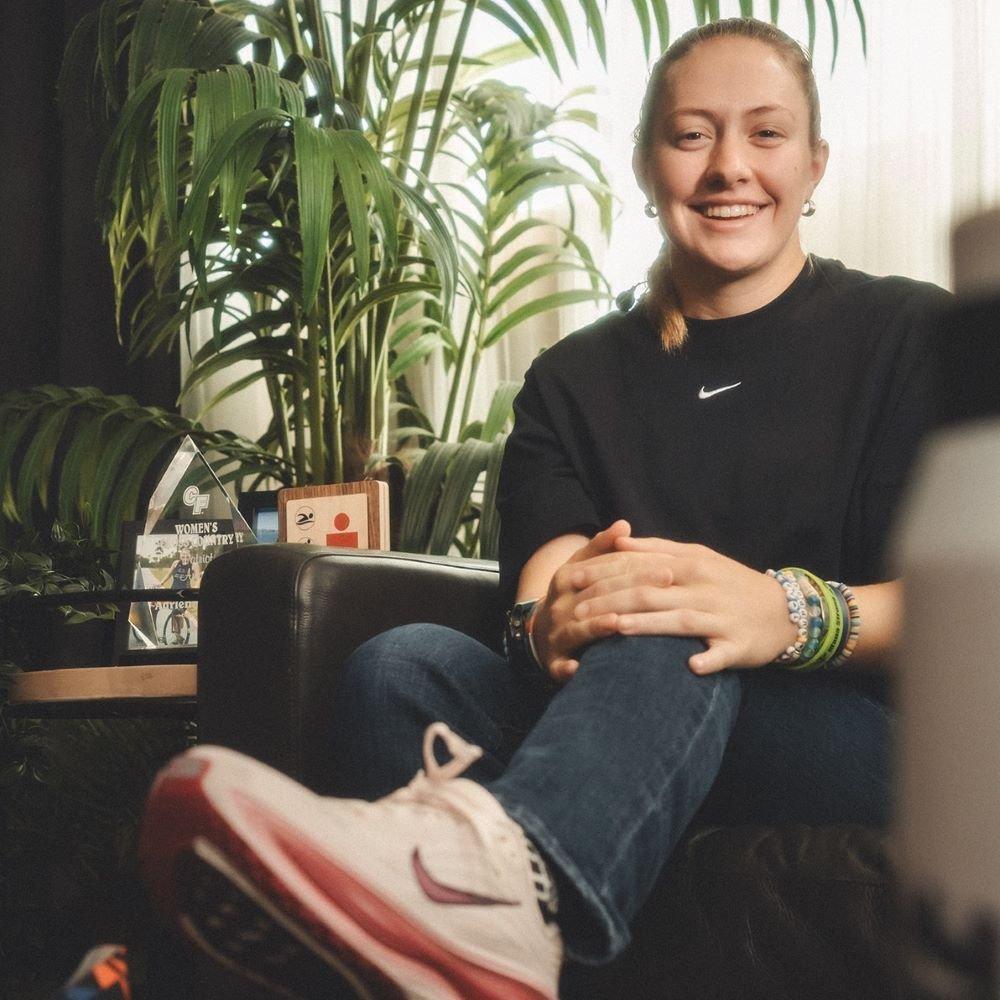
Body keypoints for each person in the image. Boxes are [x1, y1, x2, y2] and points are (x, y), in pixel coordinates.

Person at [138, 17, 951, 1000]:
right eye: (691, 135)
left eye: (765, 134)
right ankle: (467, 944)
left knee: (660, 602)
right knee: (406, 665)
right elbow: (539, 595)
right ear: (647, 164)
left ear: (814, 163)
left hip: (848, 735)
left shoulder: (911, 335)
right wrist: (551, 621)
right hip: (615, 716)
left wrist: (785, 612)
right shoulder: (573, 380)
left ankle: (494, 905)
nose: (728, 165)